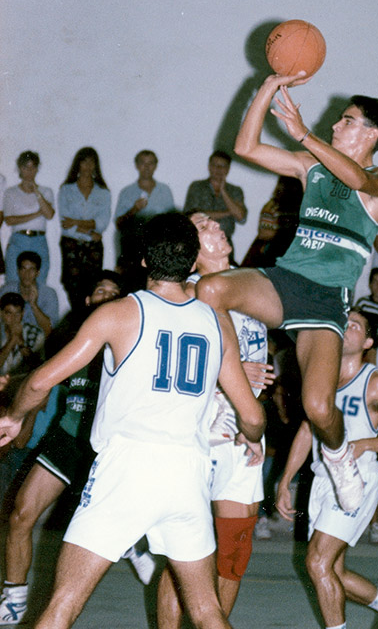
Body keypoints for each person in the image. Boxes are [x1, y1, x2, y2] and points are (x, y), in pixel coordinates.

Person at [0, 213, 265, 629]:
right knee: (207, 611)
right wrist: (250, 436)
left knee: (62, 605)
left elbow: (38, 382)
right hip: (187, 475)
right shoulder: (216, 321)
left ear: (142, 259)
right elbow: (252, 416)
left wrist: (14, 416)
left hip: (127, 468)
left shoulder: (119, 313)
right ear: (192, 261)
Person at [197, 71, 378, 513]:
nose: (336, 125)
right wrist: (267, 87)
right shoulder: (311, 167)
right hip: (286, 281)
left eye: (347, 121)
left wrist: (304, 133)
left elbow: (358, 181)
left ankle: (339, 456)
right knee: (211, 289)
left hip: (327, 298)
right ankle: (231, 399)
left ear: (371, 134)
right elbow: (246, 147)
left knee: (319, 407)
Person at [157, 211, 274, 624]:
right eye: (204, 227)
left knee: (234, 551)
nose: (217, 227)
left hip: (245, 434)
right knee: (185, 558)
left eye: (214, 223)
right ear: (192, 253)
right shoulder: (188, 293)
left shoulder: (251, 282)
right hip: (203, 434)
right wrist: (232, 373)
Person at [275, 310, 378, 629]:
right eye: (345, 323)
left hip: (357, 479)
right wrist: (285, 481)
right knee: (332, 571)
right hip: (322, 480)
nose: (347, 328)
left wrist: (365, 444)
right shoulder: (321, 379)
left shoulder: (376, 384)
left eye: (356, 326)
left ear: (367, 342)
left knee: (317, 562)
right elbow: (306, 431)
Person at [0, 272, 124, 626]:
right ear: (88, 300)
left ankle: (134, 545)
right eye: (100, 290)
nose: (105, 297)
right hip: (68, 436)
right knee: (21, 514)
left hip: (105, 445)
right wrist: (14, 381)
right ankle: (14, 598)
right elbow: (47, 375)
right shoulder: (71, 338)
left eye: (113, 293)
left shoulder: (126, 338)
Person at [58, 148, 111, 311]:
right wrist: (89, 230)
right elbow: (65, 223)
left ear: (96, 165)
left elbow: (102, 223)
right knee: (72, 286)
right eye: (84, 161)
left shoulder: (103, 192)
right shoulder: (66, 190)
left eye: (91, 162)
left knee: (93, 286)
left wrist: (76, 222)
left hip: (93, 247)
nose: (88, 166)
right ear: (78, 164)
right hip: (72, 244)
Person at [115, 150, 175, 292]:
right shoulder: (127, 192)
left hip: (159, 250)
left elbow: (172, 223)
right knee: (133, 288)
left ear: (156, 166)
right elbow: (119, 224)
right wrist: (134, 209)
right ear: (137, 165)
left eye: (150, 163)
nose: (147, 167)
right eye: (143, 163)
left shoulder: (165, 190)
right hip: (134, 250)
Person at [3, 152, 55, 285]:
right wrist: (37, 214)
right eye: (26, 167)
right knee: (13, 281)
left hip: (39, 240)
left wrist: (36, 191)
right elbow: (9, 220)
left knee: (40, 282)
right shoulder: (11, 193)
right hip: (18, 240)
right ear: (20, 169)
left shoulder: (46, 191)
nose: (29, 171)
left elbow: (49, 214)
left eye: (33, 167)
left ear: (37, 169)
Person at [183, 150, 247, 246]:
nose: (218, 169)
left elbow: (241, 218)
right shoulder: (197, 187)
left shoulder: (235, 191)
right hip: (198, 242)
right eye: (214, 165)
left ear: (228, 169)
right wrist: (229, 212)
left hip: (224, 243)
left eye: (222, 166)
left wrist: (223, 191)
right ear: (209, 166)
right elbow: (193, 216)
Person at [240, 175, 302, 268]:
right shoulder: (272, 206)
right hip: (270, 251)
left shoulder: (300, 209)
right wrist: (283, 235)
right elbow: (263, 234)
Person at [0, 251, 59, 337]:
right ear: (18, 271)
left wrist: (34, 305)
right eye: (23, 269)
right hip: (8, 338)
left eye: (32, 269)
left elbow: (49, 330)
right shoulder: (6, 290)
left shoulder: (49, 294)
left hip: (36, 341)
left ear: (37, 273)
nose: (27, 274)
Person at [0, 293, 44, 377]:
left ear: (23, 313)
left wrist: (21, 343)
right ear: (1, 313)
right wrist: (12, 340)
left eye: (17, 313)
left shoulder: (35, 333)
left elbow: (38, 367)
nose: (14, 319)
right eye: (9, 313)